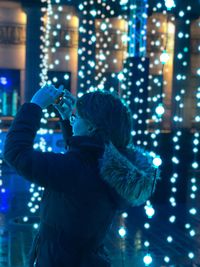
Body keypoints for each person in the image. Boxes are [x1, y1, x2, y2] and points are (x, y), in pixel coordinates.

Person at [3, 84, 159, 267]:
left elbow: (16, 152)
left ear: (91, 128)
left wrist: (34, 106)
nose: (74, 118)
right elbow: (86, 156)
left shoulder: (76, 170)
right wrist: (68, 122)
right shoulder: (110, 166)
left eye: (79, 117)